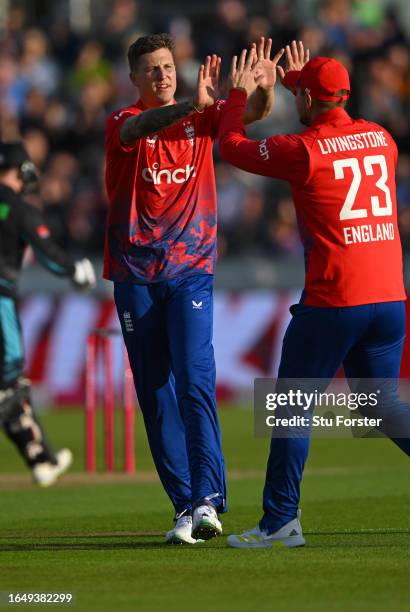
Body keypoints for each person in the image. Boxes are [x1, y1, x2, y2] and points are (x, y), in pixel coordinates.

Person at [218, 43, 410, 548]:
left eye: (301, 94)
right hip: (389, 297)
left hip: (336, 297)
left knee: (293, 405)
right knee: (379, 404)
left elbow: (230, 146)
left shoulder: (303, 151)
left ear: (308, 102)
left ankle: (280, 521)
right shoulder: (382, 139)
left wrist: (239, 93)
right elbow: (326, 102)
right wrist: (300, 79)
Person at [104, 33, 283, 544]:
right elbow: (141, 126)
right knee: (155, 394)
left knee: (195, 380)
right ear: (135, 78)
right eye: (151, 69)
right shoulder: (121, 122)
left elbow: (250, 117)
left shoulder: (203, 117)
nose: (162, 74)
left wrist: (263, 89)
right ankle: (184, 503)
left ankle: (207, 500)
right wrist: (192, 104)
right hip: (134, 273)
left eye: (167, 66)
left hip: (190, 269)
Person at [0, 141, 96, 486]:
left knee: (11, 387)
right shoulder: (19, 209)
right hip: (1, 302)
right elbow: (50, 254)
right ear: (24, 172)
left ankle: (40, 458)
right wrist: (76, 271)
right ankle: (41, 458)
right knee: (9, 384)